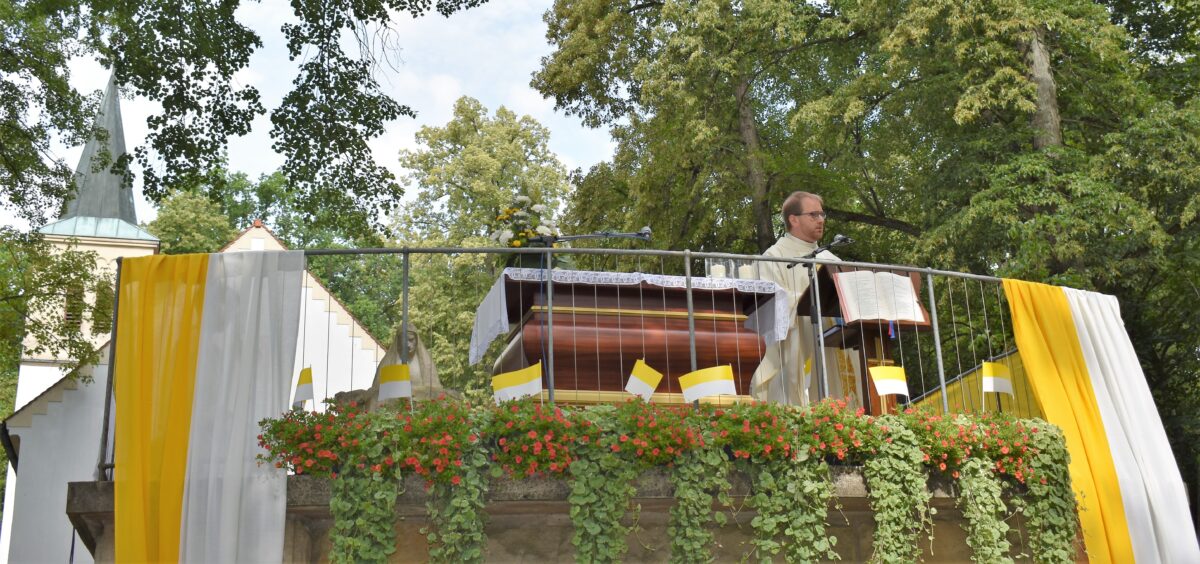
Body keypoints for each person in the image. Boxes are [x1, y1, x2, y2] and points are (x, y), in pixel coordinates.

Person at [750, 191, 840, 405]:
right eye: (813, 214)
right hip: (795, 344)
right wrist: (809, 300)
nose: (820, 220)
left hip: (834, 342)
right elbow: (769, 305)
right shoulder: (773, 258)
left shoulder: (832, 260)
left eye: (822, 214)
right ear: (794, 219)